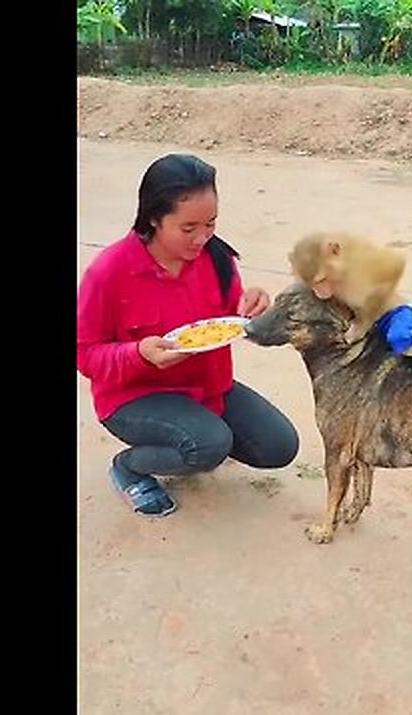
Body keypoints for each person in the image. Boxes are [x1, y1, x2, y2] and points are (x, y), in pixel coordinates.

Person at [76, 154, 300, 517]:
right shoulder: (109, 272)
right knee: (209, 444)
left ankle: (195, 438)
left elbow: (231, 320)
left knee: (279, 446)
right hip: (135, 396)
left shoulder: (217, 259)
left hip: (208, 386)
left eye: (210, 224)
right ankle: (130, 467)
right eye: (188, 227)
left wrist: (257, 309)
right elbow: (84, 354)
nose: (202, 238)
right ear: (153, 218)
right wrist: (138, 353)